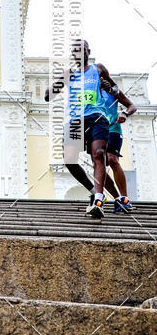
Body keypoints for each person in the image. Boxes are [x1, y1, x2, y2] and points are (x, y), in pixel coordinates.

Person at [45, 39, 124, 219]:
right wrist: (58, 83)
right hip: (75, 120)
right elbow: (47, 96)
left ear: (89, 51)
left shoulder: (99, 69)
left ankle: (98, 198)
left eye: (81, 49)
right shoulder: (69, 73)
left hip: (97, 116)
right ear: (72, 55)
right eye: (74, 51)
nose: (78, 53)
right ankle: (92, 189)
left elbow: (115, 90)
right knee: (70, 160)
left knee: (99, 153)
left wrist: (109, 87)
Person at [101, 79, 137, 212]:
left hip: (113, 129)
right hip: (97, 132)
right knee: (99, 167)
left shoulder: (113, 91)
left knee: (112, 159)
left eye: (102, 77)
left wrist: (125, 113)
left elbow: (131, 106)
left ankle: (124, 198)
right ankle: (117, 199)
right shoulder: (88, 92)